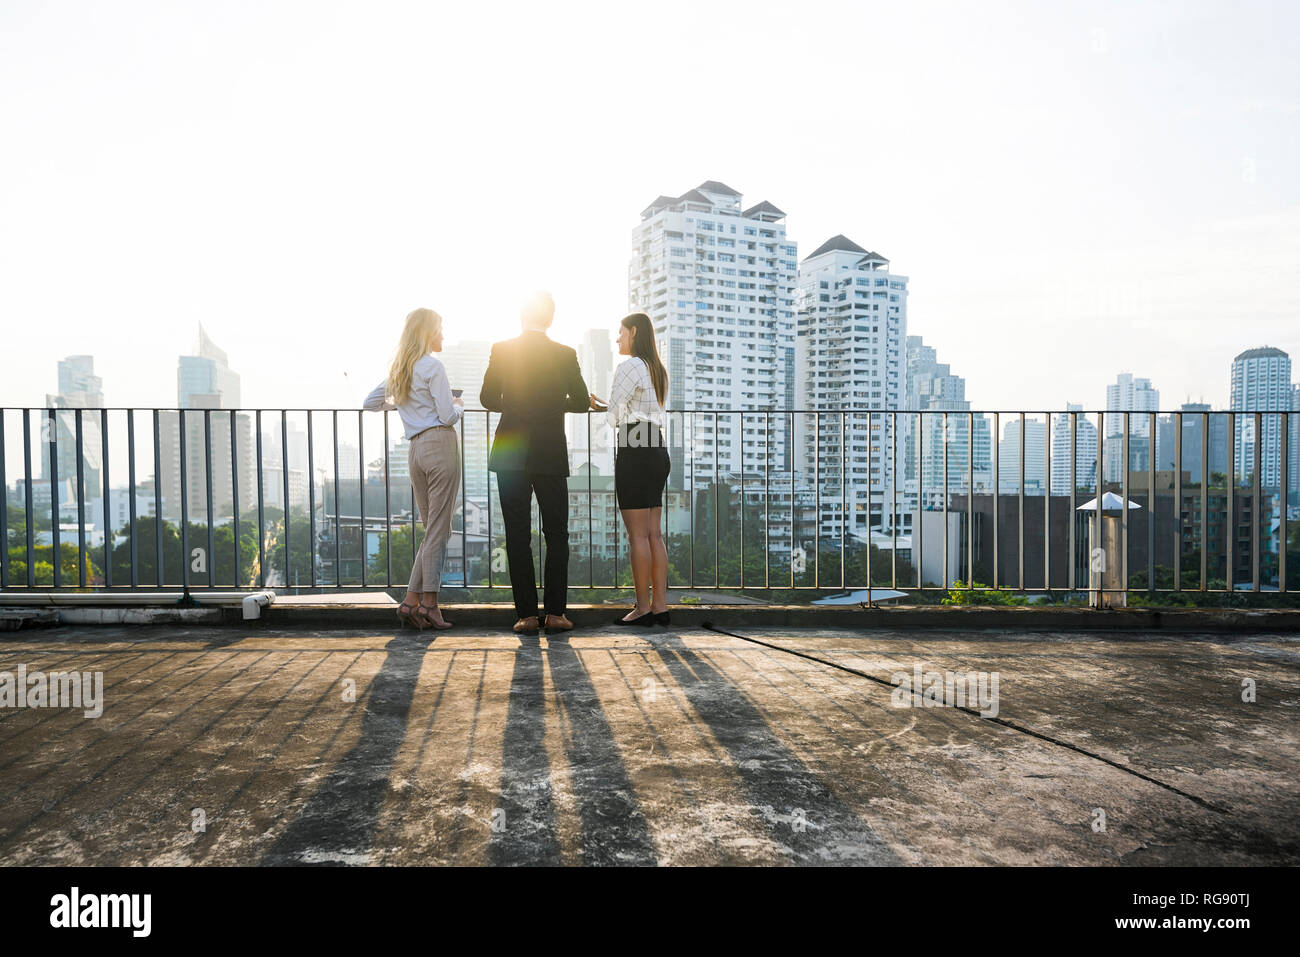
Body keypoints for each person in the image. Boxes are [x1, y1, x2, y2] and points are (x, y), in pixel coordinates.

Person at [480, 291, 590, 634]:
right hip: (550, 452)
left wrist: (515, 404)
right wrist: (555, 404)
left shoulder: (503, 349)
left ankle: (526, 615)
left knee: (517, 535)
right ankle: (556, 614)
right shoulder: (565, 353)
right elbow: (583, 401)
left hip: (511, 451)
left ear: (521, 316)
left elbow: (486, 398)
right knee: (557, 534)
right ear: (551, 318)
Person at [363, 307, 463, 630]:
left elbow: (370, 402)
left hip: (415, 451)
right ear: (427, 332)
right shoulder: (433, 366)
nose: (443, 335)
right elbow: (447, 416)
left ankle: (410, 601)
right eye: (440, 329)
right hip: (440, 445)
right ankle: (430, 605)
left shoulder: (400, 370)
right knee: (438, 529)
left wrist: (400, 405)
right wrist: (458, 406)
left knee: (433, 528)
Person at [590, 312, 671, 626]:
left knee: (637, 535)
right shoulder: (656, 369)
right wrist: (609, 406)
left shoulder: (629, 366)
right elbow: (634, 408)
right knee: (654, 534)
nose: (617, 338)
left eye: (620, 333)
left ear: (634, 332)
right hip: (656, 447)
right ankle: (660, 606)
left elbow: (615, 417)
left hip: (634, 450)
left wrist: (604, 408)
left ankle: (641, 608)